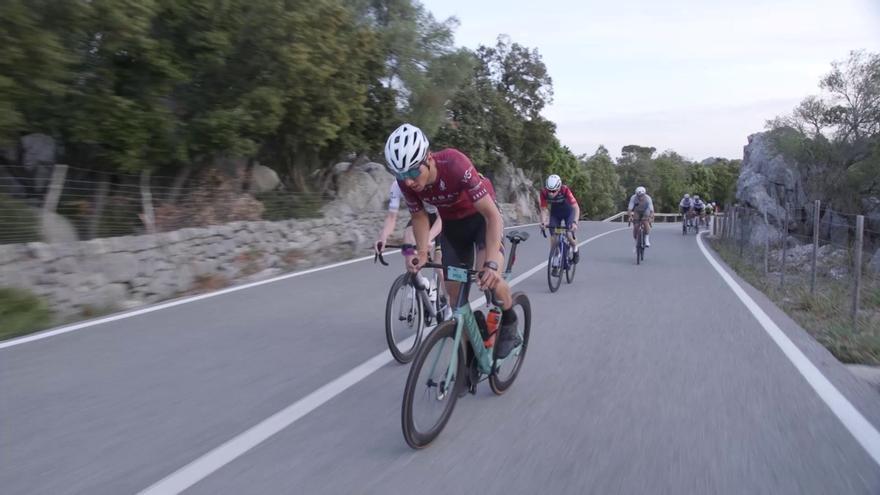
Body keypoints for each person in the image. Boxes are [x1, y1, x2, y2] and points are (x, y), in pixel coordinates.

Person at [383, 123, 520, 359]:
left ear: (428, 158)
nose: (407, 182)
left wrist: (491, 264)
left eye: (412, 172)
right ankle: (470, 356)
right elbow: (419, 216)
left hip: (481, 221)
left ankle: (510, 320)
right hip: (453, 229)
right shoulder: (410, 184)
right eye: (401, 175)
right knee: (454, 297)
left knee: (489, 280)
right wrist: (423, 253)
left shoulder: (455, 164)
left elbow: (491, 215)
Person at [374, 181, 450, 320]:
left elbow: (442, 218)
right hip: (420, 217)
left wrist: (428, 239)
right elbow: (391, 217)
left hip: (440, 218)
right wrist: (383, 237)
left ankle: (450, 304)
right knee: (408, 238)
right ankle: (422, 282)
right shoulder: (396, 186)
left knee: (440, 265)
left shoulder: (430, 181)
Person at [539, 174, 581, 264]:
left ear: (559, 188)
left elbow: (576, 207)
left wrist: (575, 222)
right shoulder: (544, 192)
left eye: (553, 191)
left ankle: (575, 248)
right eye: (549, 190)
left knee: (569, 235)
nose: (551, 193)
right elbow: (543, 209)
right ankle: (557, 255)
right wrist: (543, 222)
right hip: (555, 213)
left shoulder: (565, 190)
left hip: (568, 212)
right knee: (554, 238)